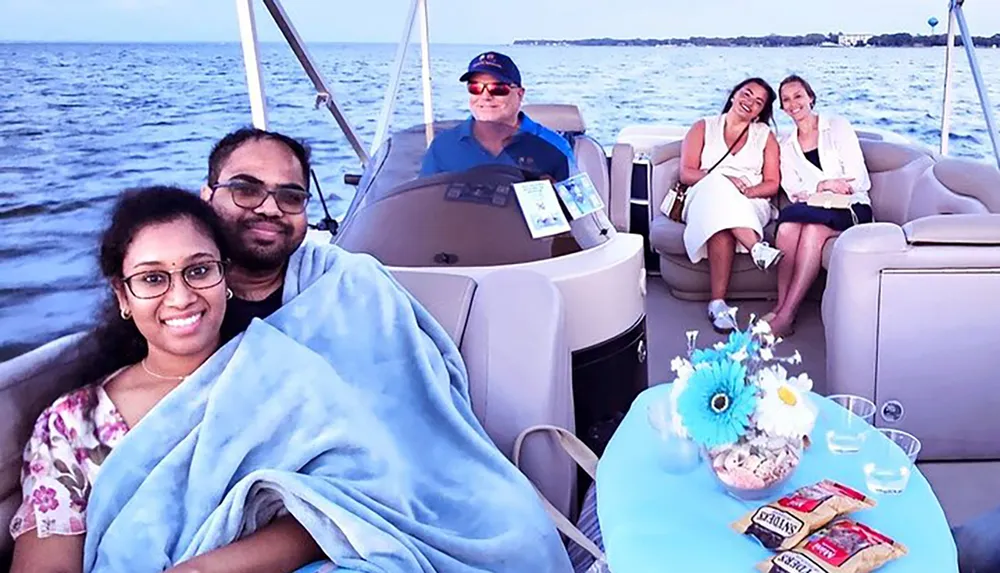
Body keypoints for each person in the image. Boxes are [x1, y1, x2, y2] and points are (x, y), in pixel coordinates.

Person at [9, 187, 325, 573]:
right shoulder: (73, 425)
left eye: (198, 270)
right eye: (153, 278)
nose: (180, 297)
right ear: (123, 296)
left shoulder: (282, 370)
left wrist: (202, 570)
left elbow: (338, 505)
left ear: (224, 274)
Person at [669, 77, 783, 332]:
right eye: (746, 94)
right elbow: (687, 174)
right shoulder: (703, 127)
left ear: (759, 112)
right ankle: (757, 249)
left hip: (749, 200)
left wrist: (748, 190)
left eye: (758, 102)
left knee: (721, 222)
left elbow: (772, 183)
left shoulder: (765, 136)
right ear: (734, 95)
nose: (749, 102)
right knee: (717, 192)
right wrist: (724, 179)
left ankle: (717, 304)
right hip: (703, 194)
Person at [763, 75, 873, 337]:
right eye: (786, 100)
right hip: (814, 206)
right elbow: (792, 190)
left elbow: (856, 179)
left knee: (813, 230)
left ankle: (787, 315)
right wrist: (824, 185)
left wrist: (821, 188)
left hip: (852, 206)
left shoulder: (837, 127)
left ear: (810, 97)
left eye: (798, 96)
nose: (793, 104)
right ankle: (780, 306)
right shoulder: (786, 146)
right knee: (787, 228)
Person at [201, 128, 313, 343]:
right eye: (245, 190)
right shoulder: (172, 302)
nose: (270, 209)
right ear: (207, 196)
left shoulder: (345, 283)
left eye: (291, 197)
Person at [419, 51, 575, 181]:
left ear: (519, 94)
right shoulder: (443, 146)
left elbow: (579, 211)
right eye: (475, 87)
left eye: (498, 89)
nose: (485, 96)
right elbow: (422, 205)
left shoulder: (555, 146)